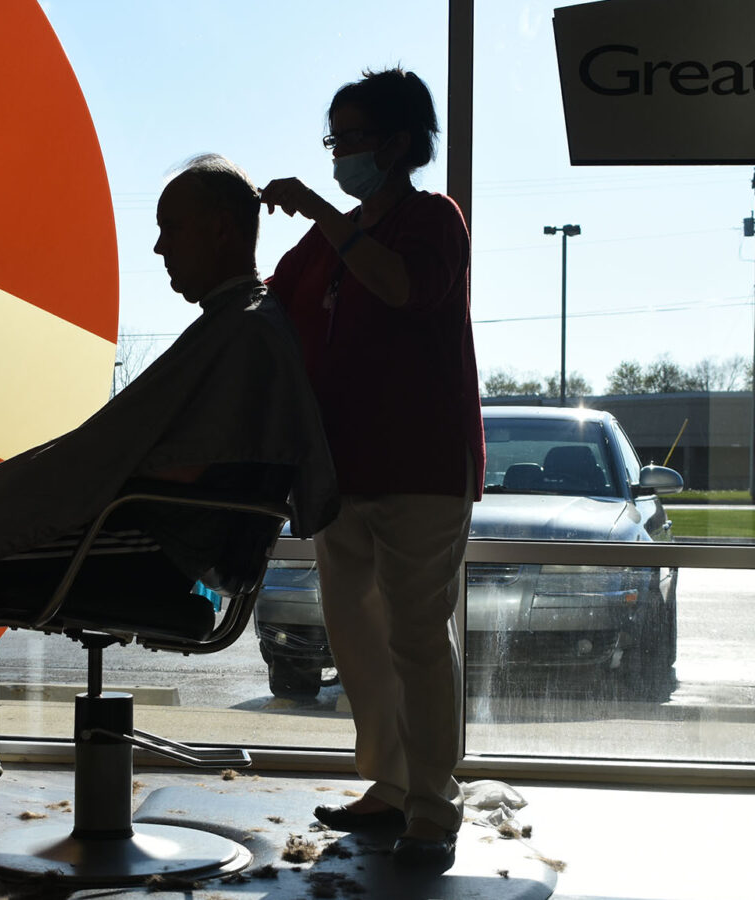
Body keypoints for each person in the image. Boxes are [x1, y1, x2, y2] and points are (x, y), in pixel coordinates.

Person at [0, 154, 337, 794]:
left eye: (172, 228)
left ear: (222, 229)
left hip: (156, 549)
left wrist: (72, 484)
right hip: (160, 538)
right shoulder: (242, 326)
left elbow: (187, 469)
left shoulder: (245, 332)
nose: (159, 246)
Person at [259, 67, 483, 868]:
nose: (337, 152)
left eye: (350, 137)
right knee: (356, 635)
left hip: (422, 465)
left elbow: (402, 291)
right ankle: (388, 786)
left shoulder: (431, 221)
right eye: (333, 137)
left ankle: (434, 802)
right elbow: (268, 308)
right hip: (339, 472)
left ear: (397, 143)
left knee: (418, 636)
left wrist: (324, 214)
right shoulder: (324, 243)